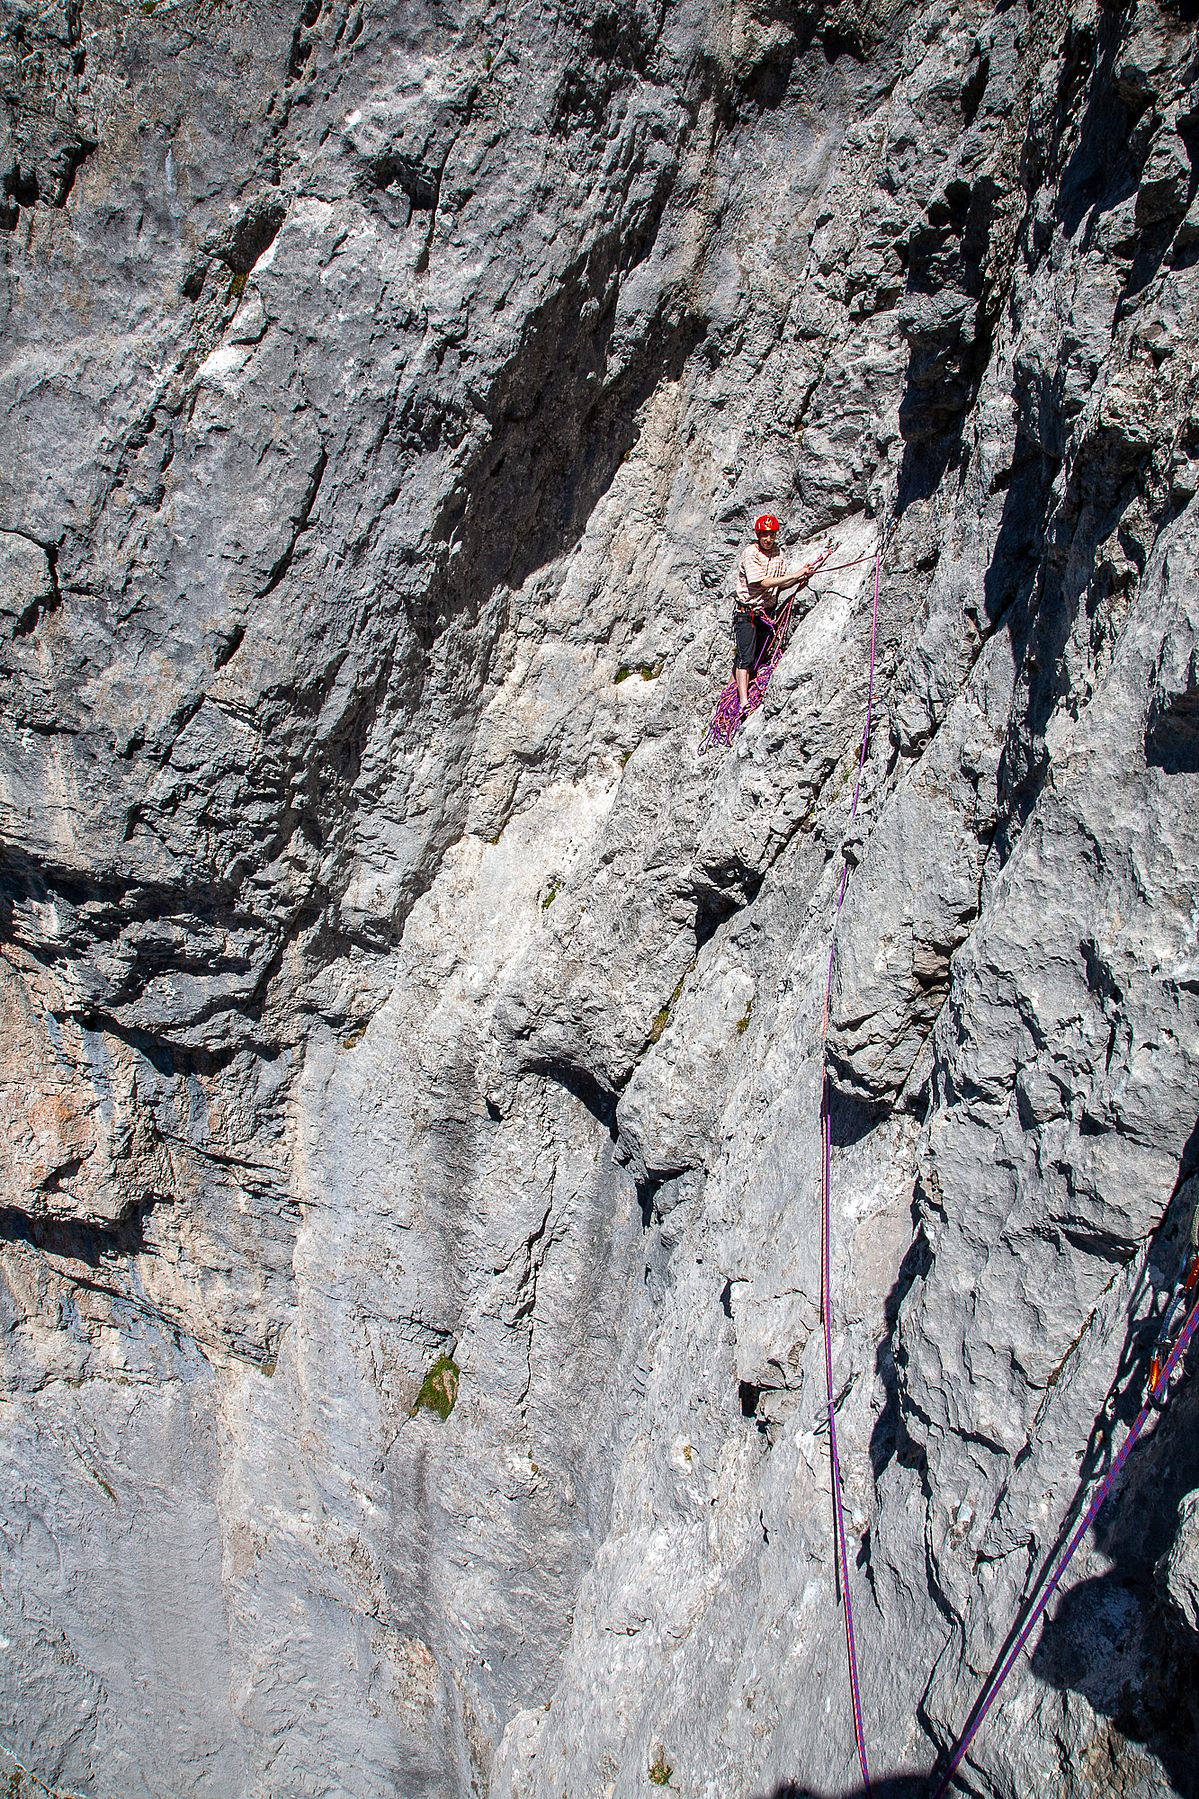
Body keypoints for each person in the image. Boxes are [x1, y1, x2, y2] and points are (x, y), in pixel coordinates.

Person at [732, 514, 825, 711]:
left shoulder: (778, 554)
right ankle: (743, 702)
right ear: (758, 535)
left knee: (761, 656)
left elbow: (780, 583)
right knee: (746, 658)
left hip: (765, 612)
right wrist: (794, 575)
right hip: (747, 613)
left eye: (772, 535)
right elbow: (762, 582)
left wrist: (801, 576)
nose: (768, 539)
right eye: (765, 535)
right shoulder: (751, 553)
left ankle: (751, 686)